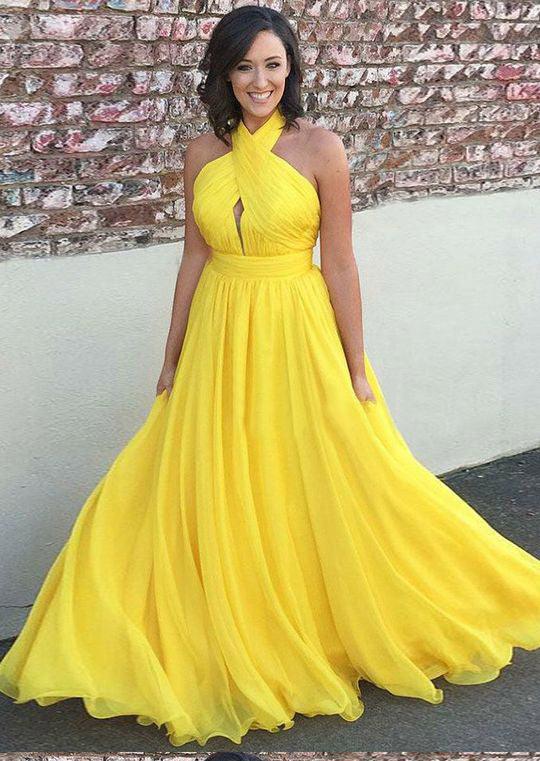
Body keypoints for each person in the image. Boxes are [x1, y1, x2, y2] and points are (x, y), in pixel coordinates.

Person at [1, 3, 540, 750]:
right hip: (221, 328)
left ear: (291, 69)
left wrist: (355, 364)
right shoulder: (201, 152)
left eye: (273, 65)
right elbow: (194, 255)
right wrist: (171, 352)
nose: (260, 80)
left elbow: (340, 261)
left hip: (295, 324)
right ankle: (235, 614)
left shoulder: (320, 147)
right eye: (245, 66)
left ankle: (328, 616)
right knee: (218, 475)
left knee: (321, 470)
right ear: (225, 74)